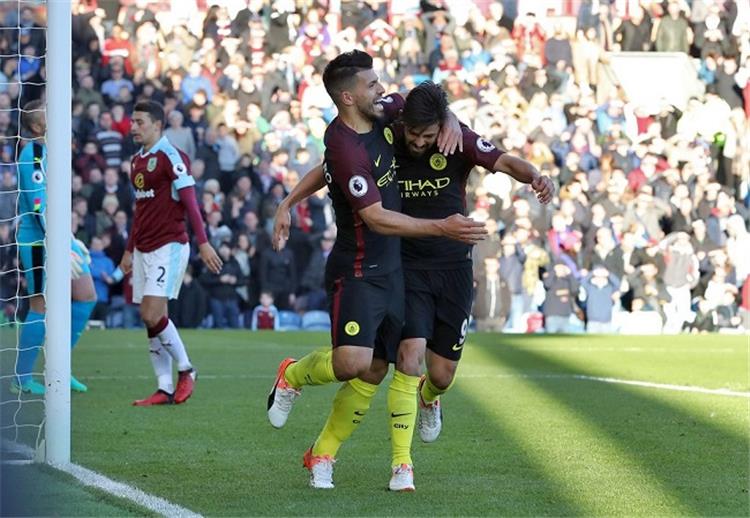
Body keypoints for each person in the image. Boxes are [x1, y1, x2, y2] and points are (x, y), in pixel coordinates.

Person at [267, 50, 486, 491]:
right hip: (359, 269)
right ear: (348, 97)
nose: (381, 89)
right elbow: (375, 217)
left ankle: (335, 456)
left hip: (397, 270)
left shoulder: (385, 112)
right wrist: (442, 226)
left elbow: (425, 104)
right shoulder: (344, 147)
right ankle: (291, 375)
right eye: (371, 84)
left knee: (383, 368)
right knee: (353, 363)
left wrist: (448, 120)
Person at [386, 81, 553, 445]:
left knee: (442, 375)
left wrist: (535, 176)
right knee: (409, 354)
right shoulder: (389, 134)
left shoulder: (457, 140)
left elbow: (503, 160)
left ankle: (430, 397)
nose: (418, 142)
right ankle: (401, 461)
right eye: (413, 134)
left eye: (427, 135)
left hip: (454, 268)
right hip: (407, 265)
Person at [118, 100, 222, 406]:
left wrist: (203, 242)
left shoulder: (171, 156)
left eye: (139, 122)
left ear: (157, 125)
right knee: (153, 319)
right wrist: (129, 249)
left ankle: (187, 369)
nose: (133, 127)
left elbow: (191, 201)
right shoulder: (136, 161)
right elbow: (140, 211)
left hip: (169, 245)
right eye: (132, 122)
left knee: (150, 313)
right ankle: (163, 388)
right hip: (142, 247)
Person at [13, 99, 96, 395]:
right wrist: (59, 244)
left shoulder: (54, 150)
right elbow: (38, 206)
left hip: (60, 236)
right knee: (40, 305)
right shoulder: (32, 153)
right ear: (38, 126)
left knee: (86, 295)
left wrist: (71, 239)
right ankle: (21, 378)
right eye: (50, 113)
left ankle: (59, 368)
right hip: (38, 240)